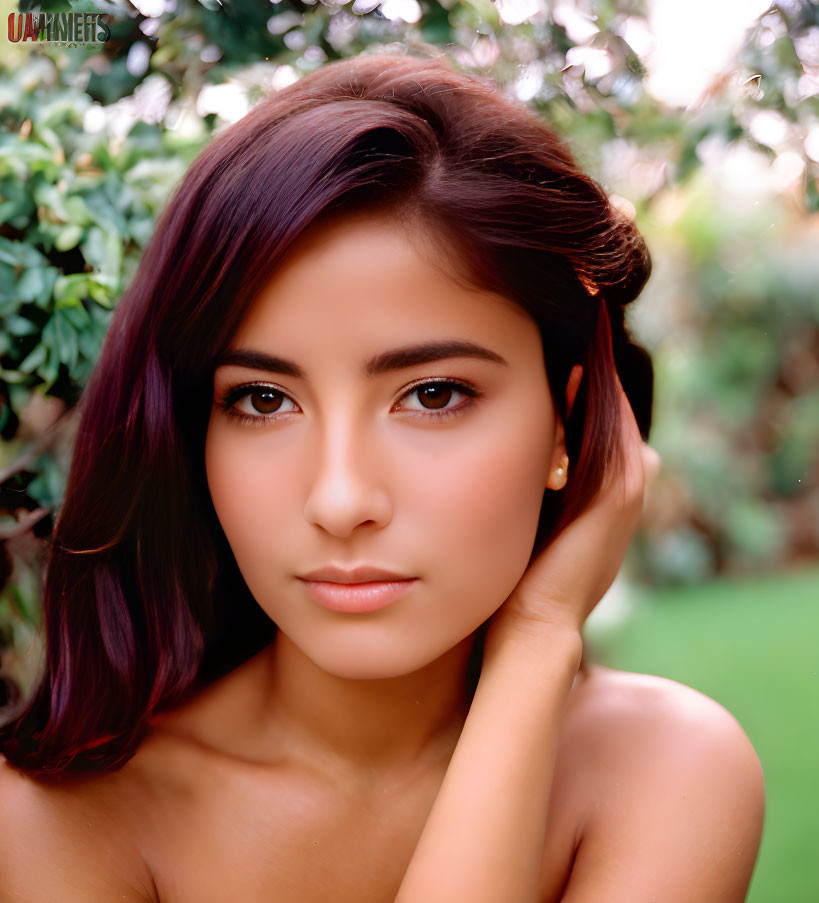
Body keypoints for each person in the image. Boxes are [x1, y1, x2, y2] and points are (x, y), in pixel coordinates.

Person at [0, 50, 765, 901]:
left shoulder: (667, 769)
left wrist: (538, 641)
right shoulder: (63, 813)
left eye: (432, 394)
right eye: (261, 399)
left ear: (567, 419)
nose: (340, 500)